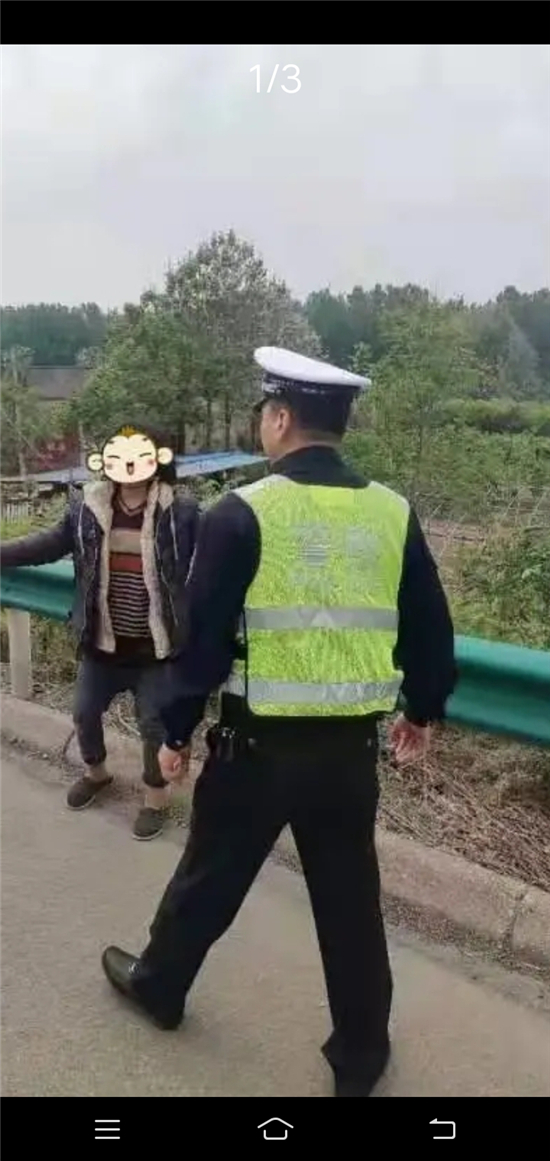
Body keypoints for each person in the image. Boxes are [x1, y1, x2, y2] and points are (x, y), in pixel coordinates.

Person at [101, 350, 456, 1095]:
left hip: (256, 752)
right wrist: (423, 709)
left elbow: (201, 641)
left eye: (265, 412)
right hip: (348, 756)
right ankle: (361, 1055)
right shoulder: (392, 511)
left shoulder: (243, 511)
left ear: (283, 418)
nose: (263, 422)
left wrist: (175, 733)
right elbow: (429, 623)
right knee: (350, 904)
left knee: (208, 878)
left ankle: (160, 987)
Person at [0, 423, 198, 840]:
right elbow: (45, 546)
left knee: (153, 726)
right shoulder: (86, 508)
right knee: (84, 713)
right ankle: (97, 773)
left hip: (155, 650)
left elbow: (208, 561)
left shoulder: (181, 513)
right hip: (102, 644)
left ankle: (155, 798)